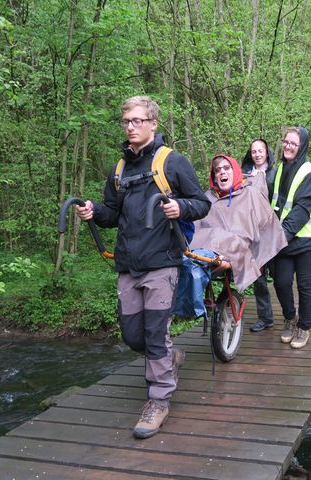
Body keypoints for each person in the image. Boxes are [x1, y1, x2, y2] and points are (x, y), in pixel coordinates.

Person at [75, 96, 210, 439]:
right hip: (128, 264)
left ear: (153, 123)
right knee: (134, 336)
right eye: (126, 122)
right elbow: (111, 213)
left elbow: (201, 203)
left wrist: (180, 207)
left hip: (162, 263)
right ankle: (169, 355)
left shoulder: (173, 162)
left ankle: (159, 400)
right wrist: (94, 212)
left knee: (153, 334)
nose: (131, 127)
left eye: (137, 121)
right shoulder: (119, 168)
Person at [188, 154, 287, 291]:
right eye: (217, 170)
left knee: (262, 291)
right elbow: (197, 229)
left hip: (241, 251)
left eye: (226, 168)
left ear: (234, 171)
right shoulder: (207, 199)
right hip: (208, 253)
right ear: (214, 177)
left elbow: (266, 224)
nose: (222, 171)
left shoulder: (250, 194)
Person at [271, 127, 311, 349]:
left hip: (307, 240)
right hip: (284, 239)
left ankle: (304, 326)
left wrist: (282, 234)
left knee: (305, 285)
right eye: (286, 141)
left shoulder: (310, 173)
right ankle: (289, 317)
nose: (288, 146)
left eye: (294, 143)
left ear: (301, 146)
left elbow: (302, 209)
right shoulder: (279, 170)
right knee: (281, 282)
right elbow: (275, 204)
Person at [241, 139, 280, 333]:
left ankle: (290, 314)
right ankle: (265, 317)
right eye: (253, 151)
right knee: (259, 276)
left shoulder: (275, 173)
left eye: (260, 151)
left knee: (281, 276)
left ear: (267, 152)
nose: (257, 154)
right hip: (252, 232)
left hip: (273, 230)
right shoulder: (243, 175)